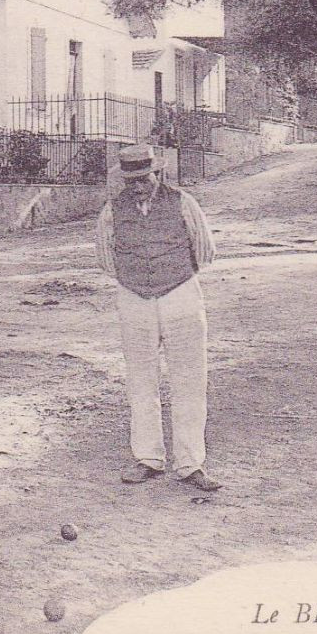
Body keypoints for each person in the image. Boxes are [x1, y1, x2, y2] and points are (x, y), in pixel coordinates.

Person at [94, 144, 221, 492]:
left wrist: (173, 274)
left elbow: (205, 250)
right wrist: (137, 279)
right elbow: (106, 258)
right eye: (131, 181)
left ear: (157, 173)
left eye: (144, 178)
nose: (138, 187)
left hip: (180, 294)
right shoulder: (112, 210)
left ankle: (190, 463)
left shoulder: (183, 202)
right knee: (140, 380)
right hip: (134, 297)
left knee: (189, 379)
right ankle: (148, 459)